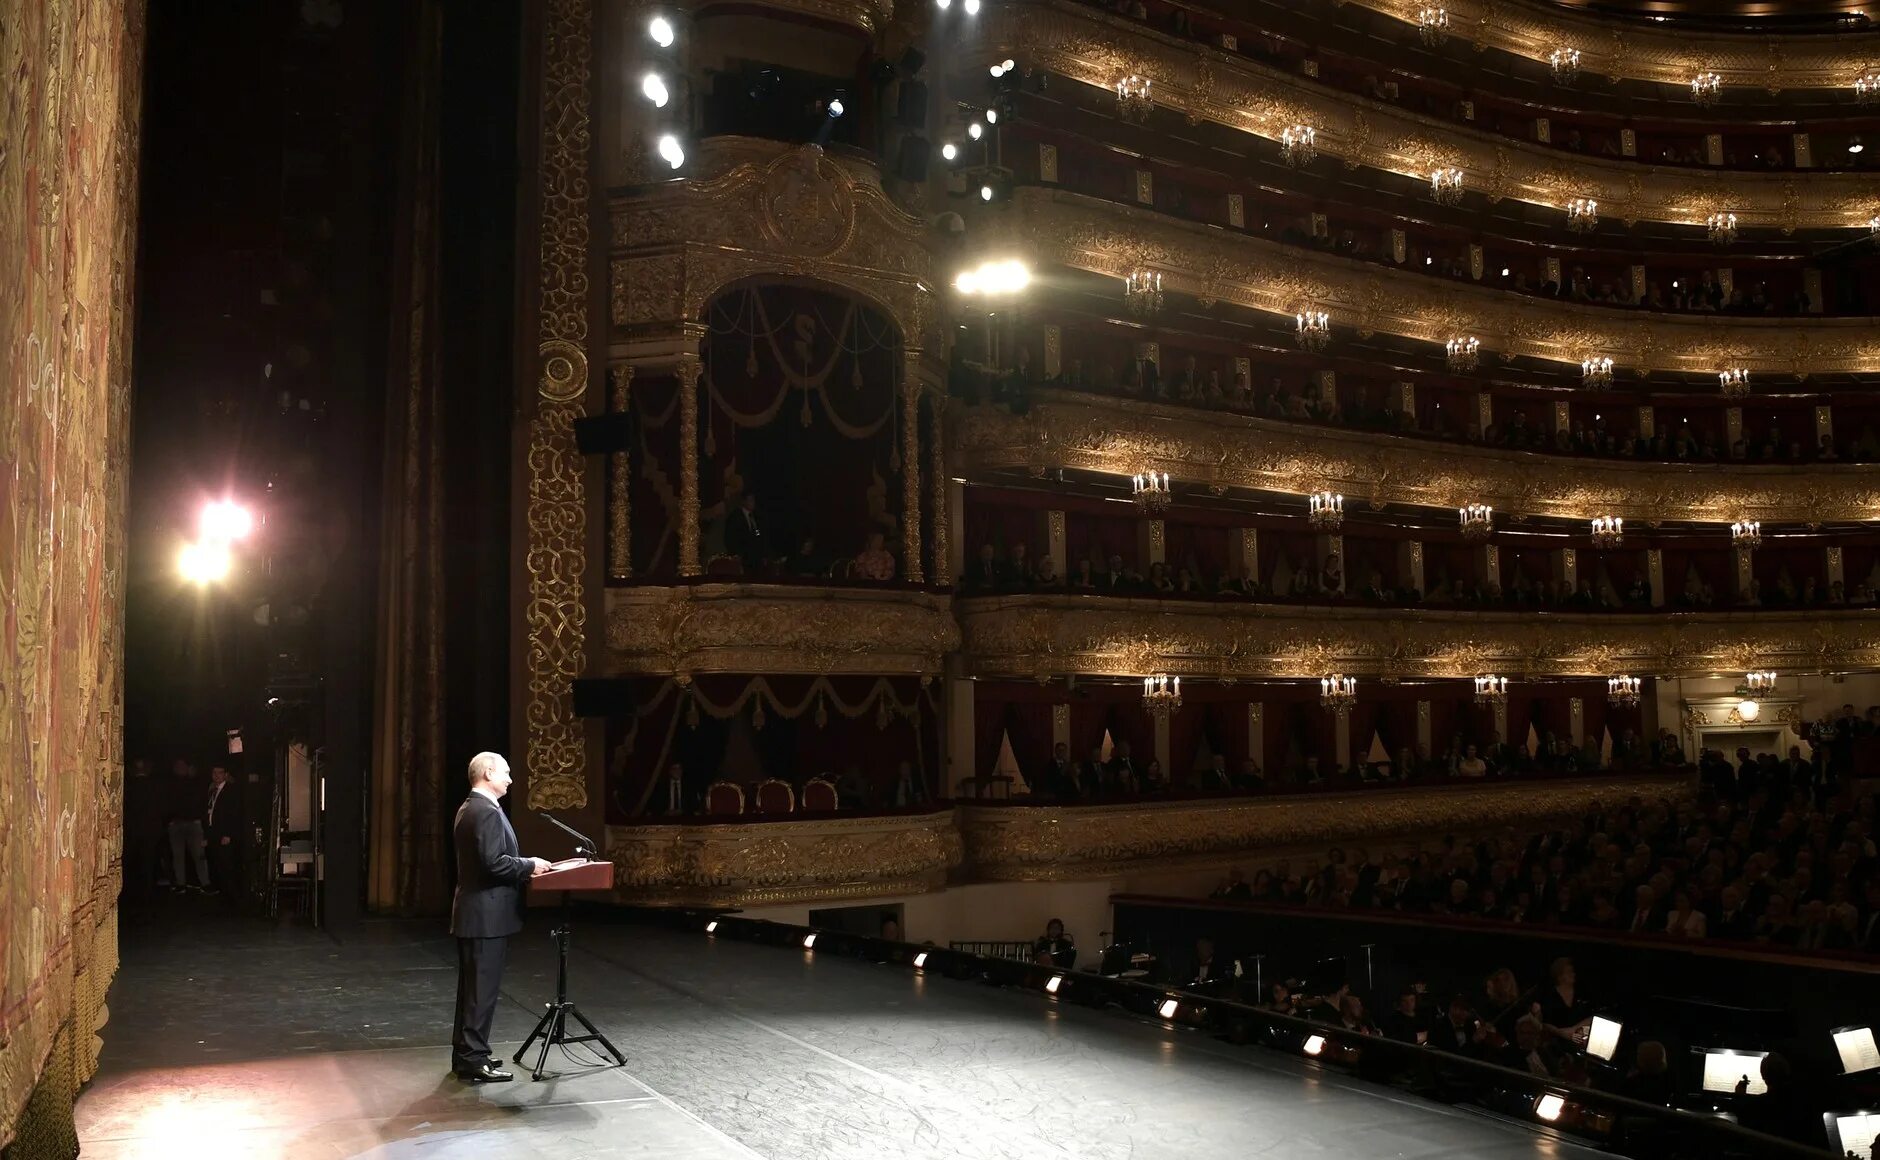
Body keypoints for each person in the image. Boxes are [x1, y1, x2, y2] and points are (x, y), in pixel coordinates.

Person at [450, 751, 552, 1083]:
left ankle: (468, 1054)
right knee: (480, 991)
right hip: (485, 916)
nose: (510, 779)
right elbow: (494, 864)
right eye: (506, 772)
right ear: (488, 773)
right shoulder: (484, 812)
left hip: (477, 913)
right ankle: (472, 1057)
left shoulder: (473, 808)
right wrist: (530, 865)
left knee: (473, 990)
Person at [165, 758, 212, 893]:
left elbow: (202, 801)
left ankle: (205, 883)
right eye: (178, 766)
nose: (180, 768)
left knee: (199, 854)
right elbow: (166, 802)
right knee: (178, 855)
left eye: (183, 765)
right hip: (176, 824)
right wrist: (170, 820)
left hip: (193, 823)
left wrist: (199, 820)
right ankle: (181, 883)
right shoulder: (171, 784)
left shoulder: (195, 782)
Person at [204, 765, 241, 898]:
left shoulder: (230, 791)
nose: (216, 775)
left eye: (220, 772)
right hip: (214, 833)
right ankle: (223, 893)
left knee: (226, 864)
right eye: (214, 772)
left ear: (226, 774)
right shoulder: (212, 790)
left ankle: (231, 895)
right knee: (217, 864)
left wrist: (228, 834)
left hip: (224, 834)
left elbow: (233, 814)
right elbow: (210, 812)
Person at [724, 492, 764, 572]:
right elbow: (730, 537)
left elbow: (757, 532)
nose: (753, 503)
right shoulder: (736, 516)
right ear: (744, 501)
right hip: (742, 558)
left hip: (755, 558)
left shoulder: (755, 517)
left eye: (753, 500)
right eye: (750, 500)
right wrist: (736, 554)